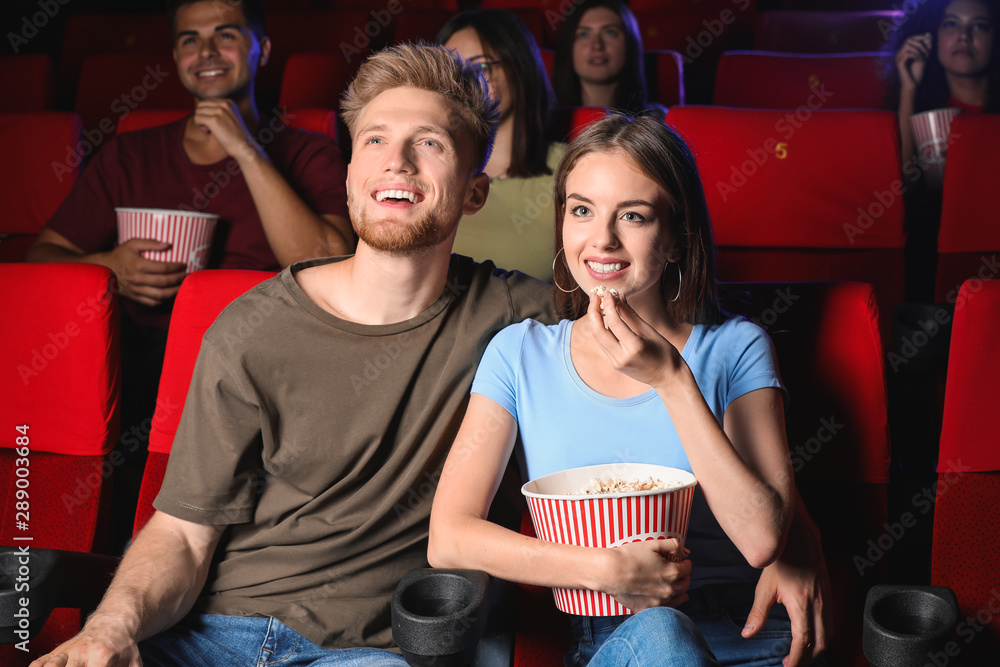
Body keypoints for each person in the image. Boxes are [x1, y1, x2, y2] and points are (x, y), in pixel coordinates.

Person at [30, 45, 826, 667]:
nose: (396, 162)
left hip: (371, 649)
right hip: (213, 634)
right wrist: (110, 627)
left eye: (429, 143)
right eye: (374, 140)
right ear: (348, 175)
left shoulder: (519, 317)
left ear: (475, 192)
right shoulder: (250, 327)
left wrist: (799, 545)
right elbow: (181, 533)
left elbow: (660, 318)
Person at [429, 112, 826, 667]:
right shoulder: (519, 354)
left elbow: (762, 539)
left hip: (749, 636)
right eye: (582, 210)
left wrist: (671, 379)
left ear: (676, 240)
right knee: (661, 632)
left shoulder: (737, 347)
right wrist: (605, 571)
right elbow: (450, 536)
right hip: (611, 642)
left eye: (633, 216)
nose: (602, 239)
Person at [24, 0, 353, 551]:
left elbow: (327, 259)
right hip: (132, 370)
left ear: (261, 48)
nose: (205, 52)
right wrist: (107, 266)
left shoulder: (306, 151)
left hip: (261, 367)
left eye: (225, 35)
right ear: (175, 55)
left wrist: (245, 150)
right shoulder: (128, 155)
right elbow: (40, 258)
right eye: (189, 40)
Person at [438, 9, 565, 282]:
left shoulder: (571, 169)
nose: (465, 84)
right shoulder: (430, 166)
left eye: (480, 66)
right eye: (453, 72)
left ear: (519, 67)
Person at [891, 0, 997, 166]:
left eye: (979, 26)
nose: (964, 36)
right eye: (951, 24)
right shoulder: (923, 110)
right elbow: (908, 185)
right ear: (932, 37)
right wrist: (908, 90)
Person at [552, 0, 665, 115]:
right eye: (584, 35)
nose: (597, 45)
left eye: (610, 33)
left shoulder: (660, 120)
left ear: (630, 43)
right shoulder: (543, 120)